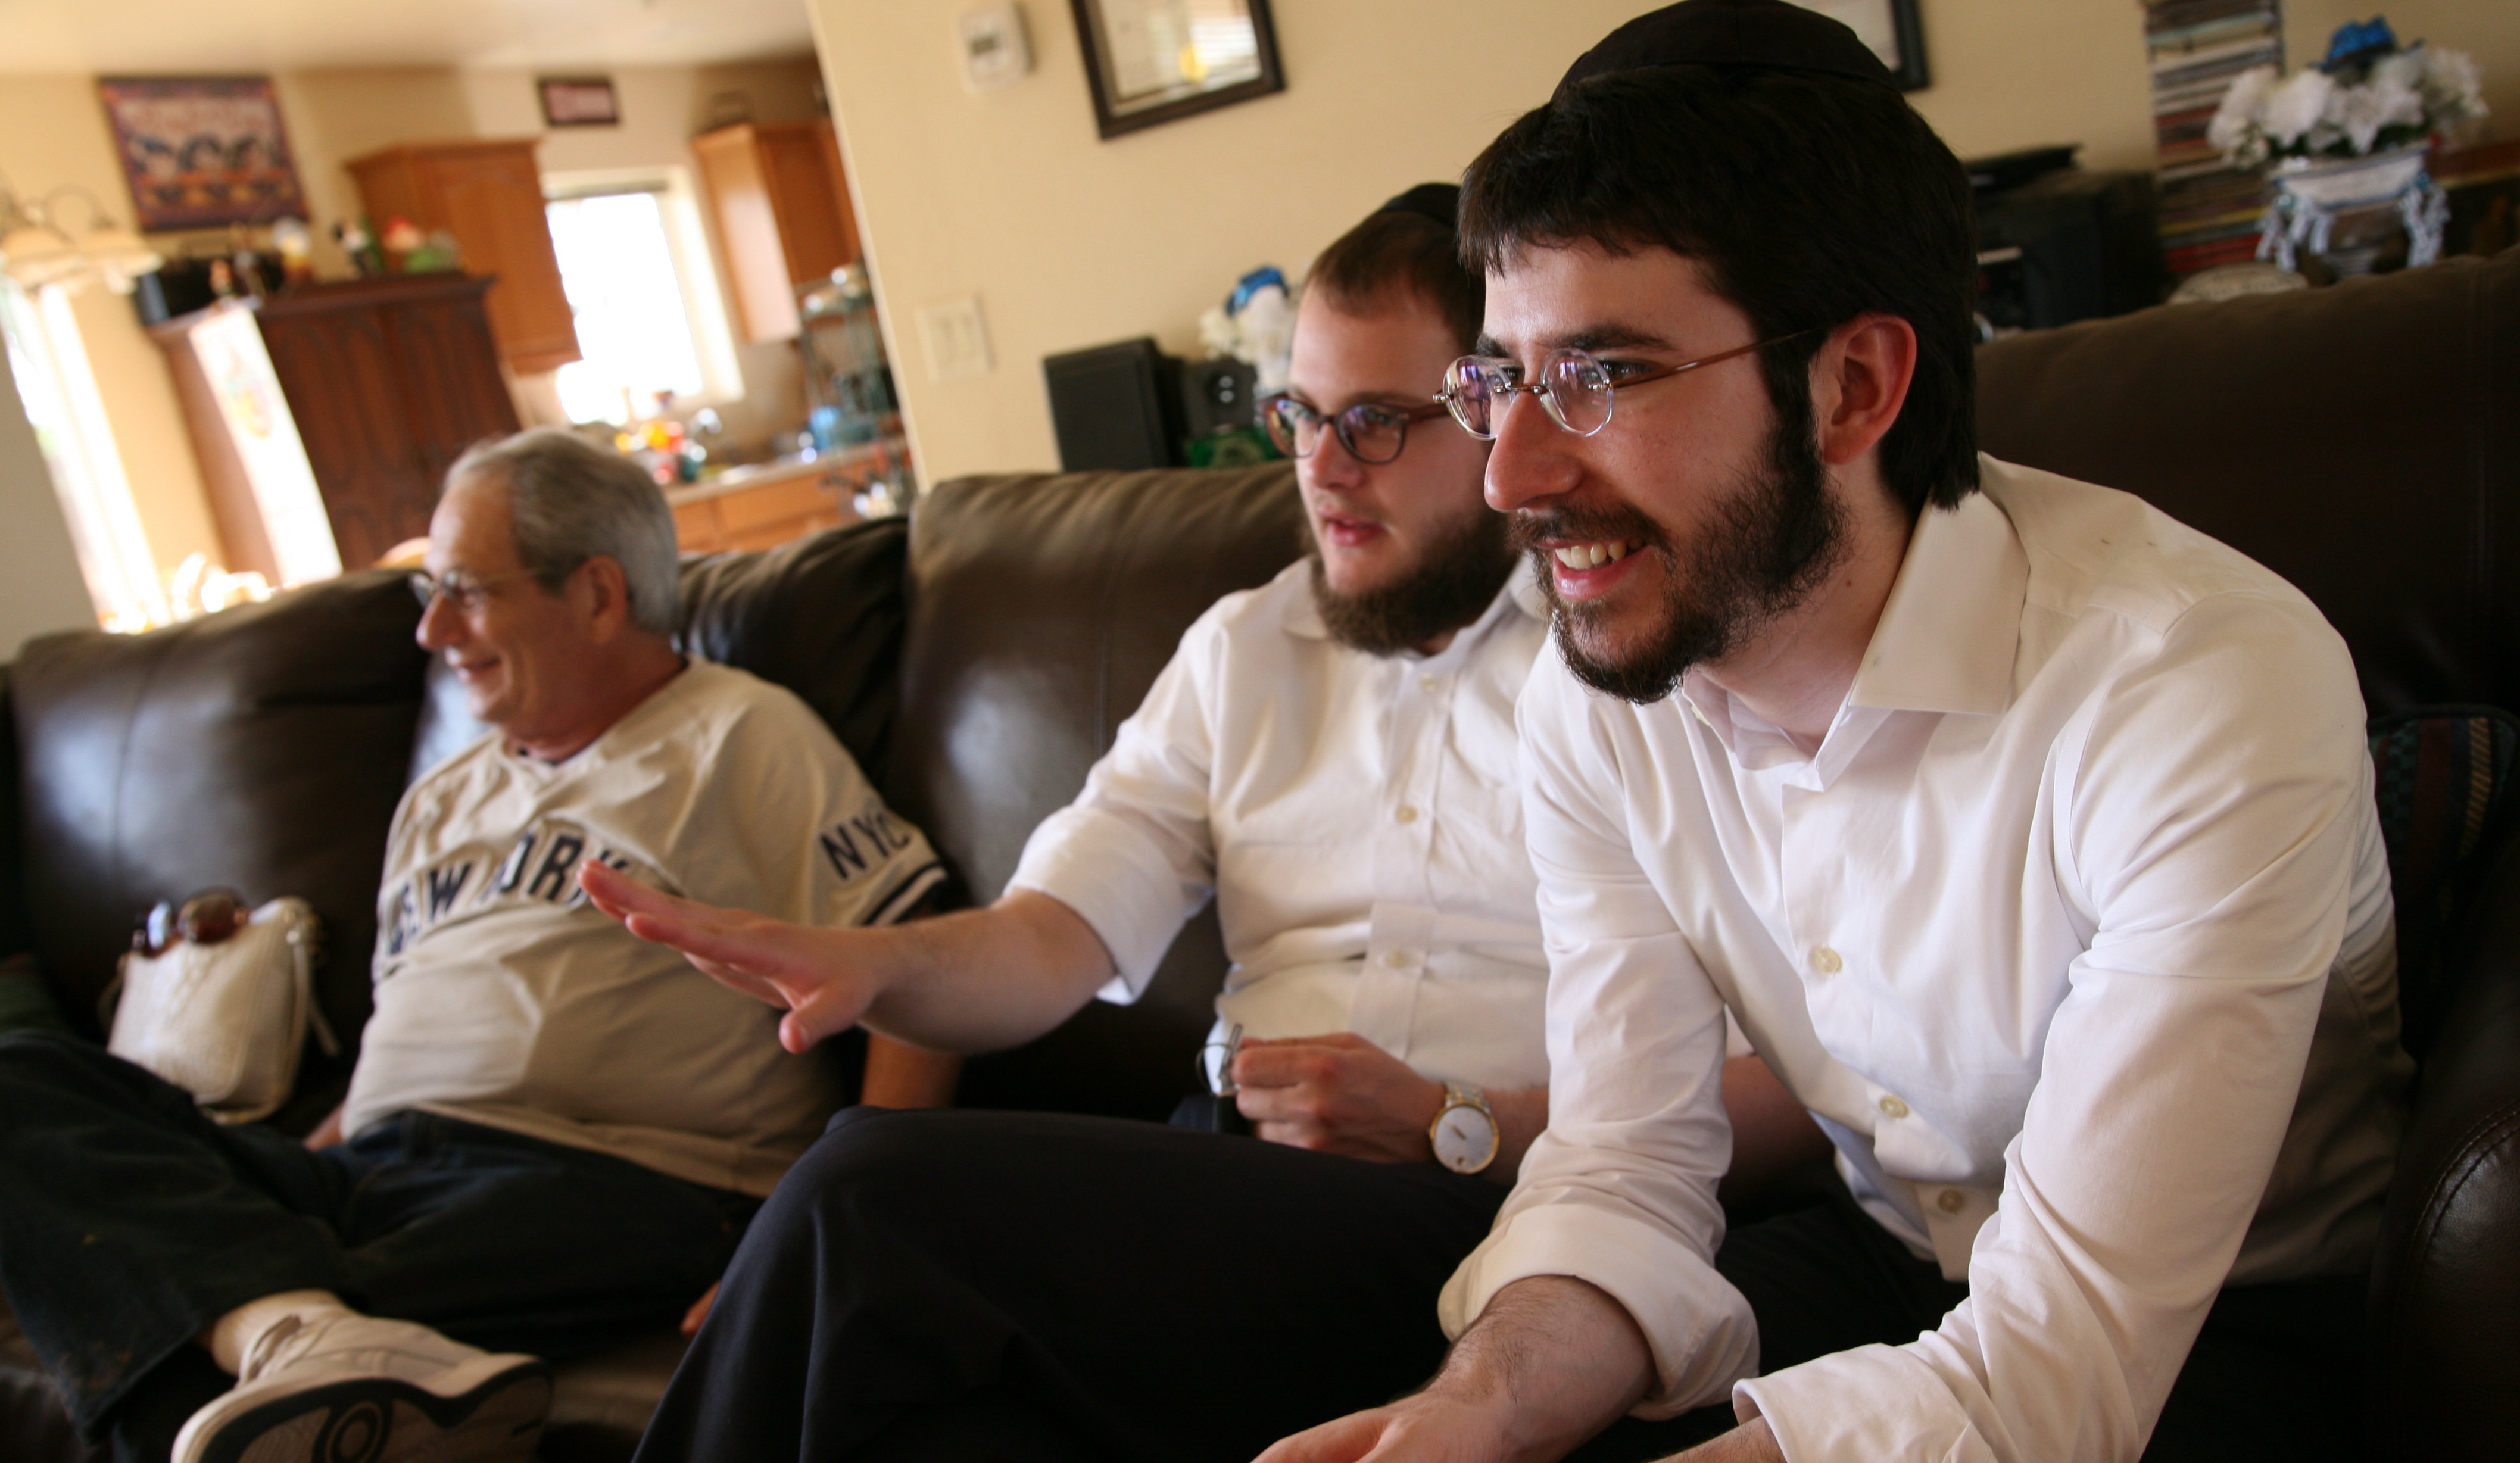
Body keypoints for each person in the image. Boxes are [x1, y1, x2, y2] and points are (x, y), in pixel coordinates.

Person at [1259, 6, 2410, 1463]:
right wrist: (1469, 1416)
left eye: (1600, 377)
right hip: (1886, 1266)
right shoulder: (1601, 695)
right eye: (1501, 379)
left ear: (1857, 385)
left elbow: (2057, 1375)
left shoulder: (2197, 685)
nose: (1513, 475)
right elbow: (1625, 1161)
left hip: (2236, 1332)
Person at [582, 187, 1831, 1463]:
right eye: (1299, 415)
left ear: (1493, 405)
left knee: (864, 1195)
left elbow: (1820, 1060)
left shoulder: (1636, 651)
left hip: (1516, 1219)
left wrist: (1471, 1118)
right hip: (1241, 1189)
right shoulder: (1244, 650)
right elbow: (1048, 936)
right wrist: (875, 966)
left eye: (1376, 423)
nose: (1321, 468)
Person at [0, 429, 944, 1463]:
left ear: (596, 593)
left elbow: (915, 966)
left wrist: (825, 1224)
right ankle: (297, 1325)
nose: (434, 630)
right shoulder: (441, 797)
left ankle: (284, 1320)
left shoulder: (742, 738)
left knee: (170, 1308)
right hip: (377, 1171)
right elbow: (399, 1045)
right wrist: (254, 1172)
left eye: (466, 590)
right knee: (24, 1084)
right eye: (428, 595)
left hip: (615, 1179)